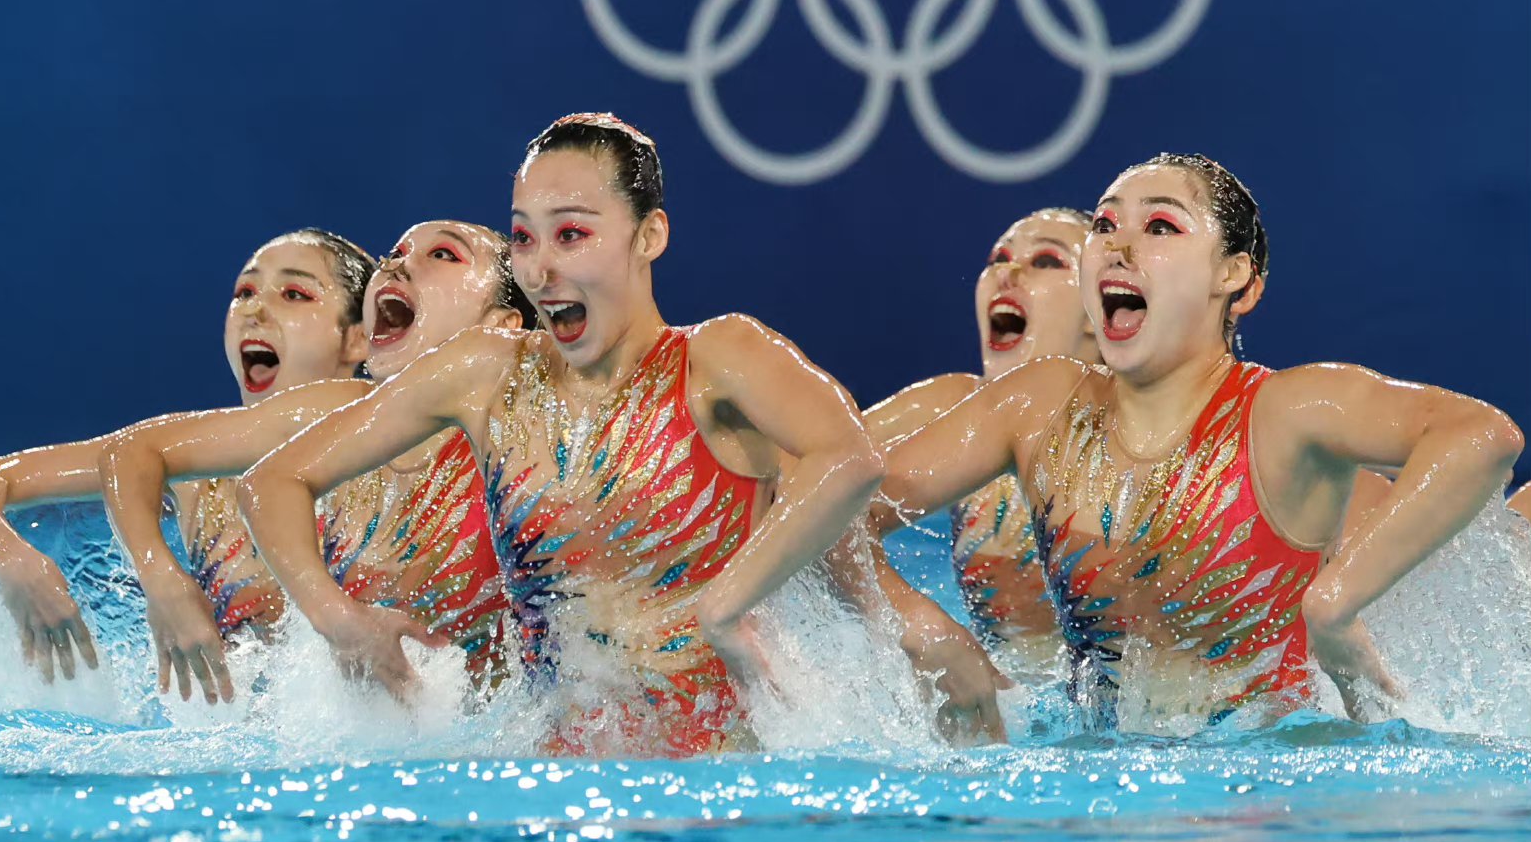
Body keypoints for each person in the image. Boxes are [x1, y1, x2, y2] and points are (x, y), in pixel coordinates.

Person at [235, 113, 884, 756]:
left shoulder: (719, 358)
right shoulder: (487, 373)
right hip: (554, 783)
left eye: (570, 235)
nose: (541, 269)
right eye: (523, 239)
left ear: (648, 235)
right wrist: (339, 620)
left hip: (722, 781)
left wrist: (725, 607)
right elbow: (273, 480)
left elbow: (850, 459)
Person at [865, 153, 1521, 729]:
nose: (1119, 245)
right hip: (1095, 784)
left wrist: (1335, 603)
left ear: (1235, 276)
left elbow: (1481, 435)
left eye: (1158, 226)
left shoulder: (1286, 410)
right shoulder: (1036, 405)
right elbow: (831, 513)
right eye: (1103, 225)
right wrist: (918, 623)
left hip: (1269, 796)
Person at [97, 220, 531, 704]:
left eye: (444, 255)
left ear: (504, 327)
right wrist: (162, 580)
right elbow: (136, 450)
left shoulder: (528, 436)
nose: (397, 263)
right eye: (396, 251)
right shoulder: (336, 411)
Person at [0, 229, 373, 682]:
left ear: (359, 339)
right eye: (244, 292)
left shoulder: (400, 452)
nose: (255, 310)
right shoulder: (186, 467)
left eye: (294, 294)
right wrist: (14, 563)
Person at [866, 209, 1096, 675]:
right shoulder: (953, 409)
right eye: (1000, 258)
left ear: (1101, 308)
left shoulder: (1146, 434)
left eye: (1047, 261)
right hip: (1000, 708)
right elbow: (800, 488)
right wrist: (911, 615)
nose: (1008, 271)